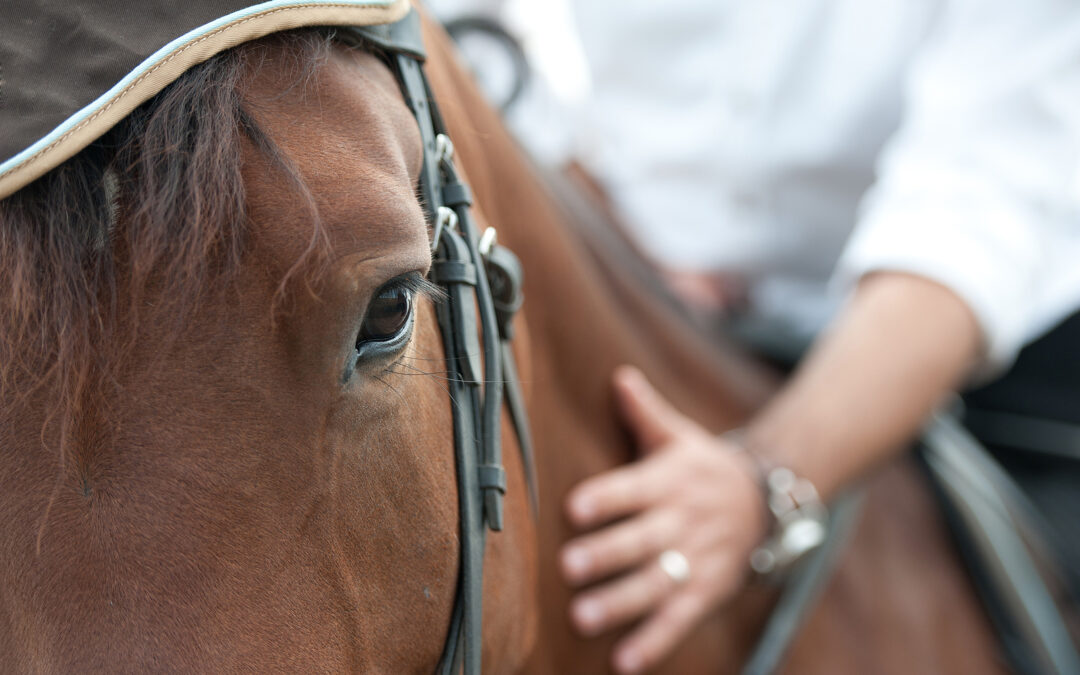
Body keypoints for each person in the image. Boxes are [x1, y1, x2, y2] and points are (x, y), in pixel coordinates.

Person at [433, 1, 1080, 672]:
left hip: (980, 345)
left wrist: (763, 481)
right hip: (640, 281)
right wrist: (598, 222)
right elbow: (467, 40)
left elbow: (973, 216)